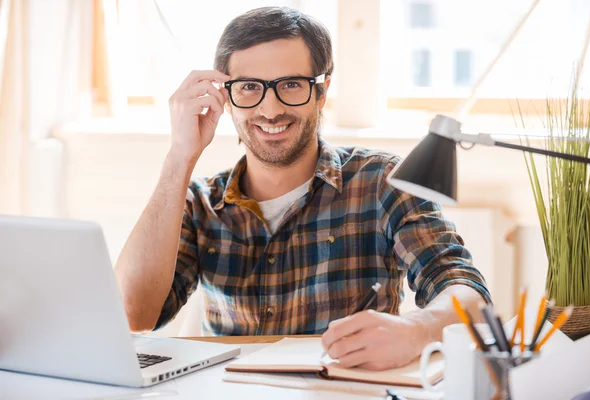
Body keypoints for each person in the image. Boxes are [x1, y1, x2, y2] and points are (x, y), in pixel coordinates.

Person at [115, 6, 491, 371]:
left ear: (322, 92)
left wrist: (416, 330)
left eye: (291, 85)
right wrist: (180, 157)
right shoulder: (201, 201)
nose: (270, 108)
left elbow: (467, 293)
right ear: (225, 97)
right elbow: (134, 314)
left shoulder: (382, 181)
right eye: (249, 87)